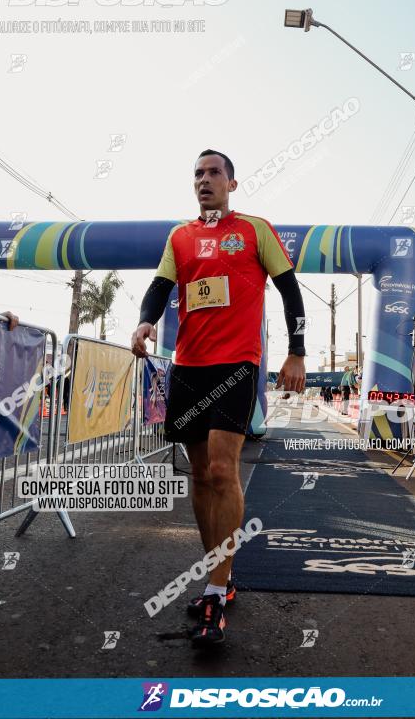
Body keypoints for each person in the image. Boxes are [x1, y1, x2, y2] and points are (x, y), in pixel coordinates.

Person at [131, 149, 306, 648]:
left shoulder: (255, 230)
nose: (204, 181)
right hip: (188, 365)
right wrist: (146, 320)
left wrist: (297, 352)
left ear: (232, 183)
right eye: (198, 174)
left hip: (236, 364)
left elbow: (290, 291)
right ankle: (218, 574)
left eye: (213, 174)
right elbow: (160, 286)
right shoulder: (180, 237)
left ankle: (216, 586)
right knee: (201, 475)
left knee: (224, 470)